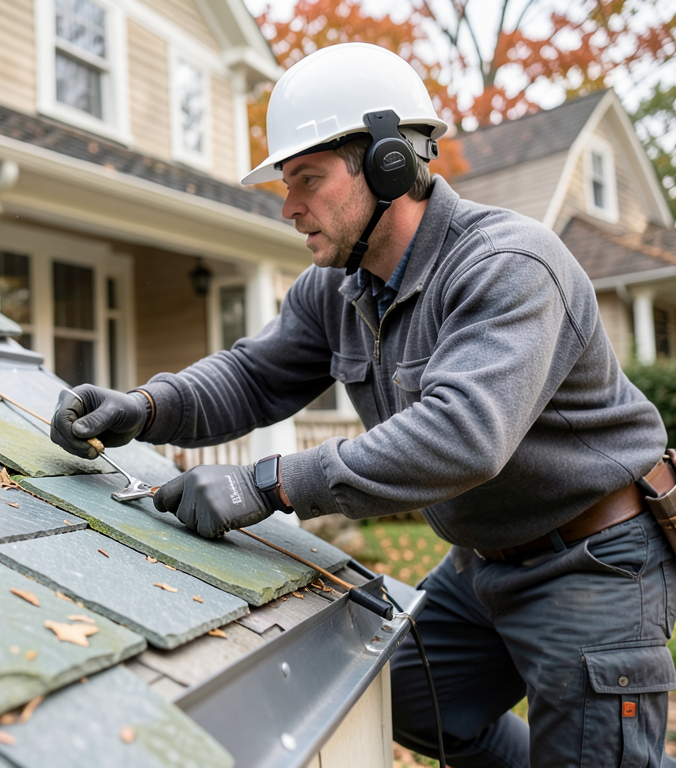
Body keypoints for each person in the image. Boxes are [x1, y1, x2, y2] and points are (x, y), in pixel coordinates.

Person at [51, 42, 676, 767]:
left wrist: (271, 483)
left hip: (591, 561)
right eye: (286, 184)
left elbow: (462, 435)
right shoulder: (337, 290)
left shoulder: (509, 265)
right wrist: (146, 407)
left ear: (390, 164)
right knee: (409, 700)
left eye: (307, 179)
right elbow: (254, 376)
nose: (288, 208)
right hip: (482, 561)